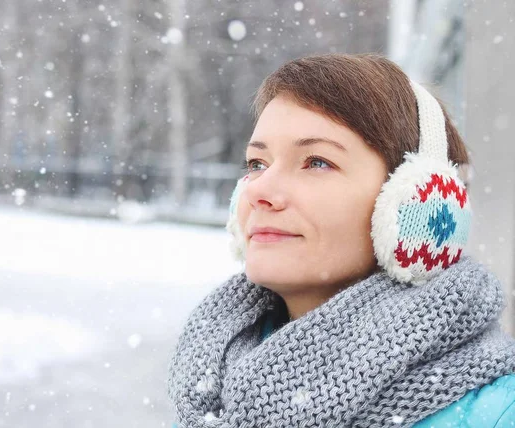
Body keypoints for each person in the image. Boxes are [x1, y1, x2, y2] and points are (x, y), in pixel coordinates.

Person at [167, 54, 515, 427]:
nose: (259, 191)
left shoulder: (497, 413)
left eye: (316, 162)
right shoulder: (212, 388)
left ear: (420, 205)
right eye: (257, 164)